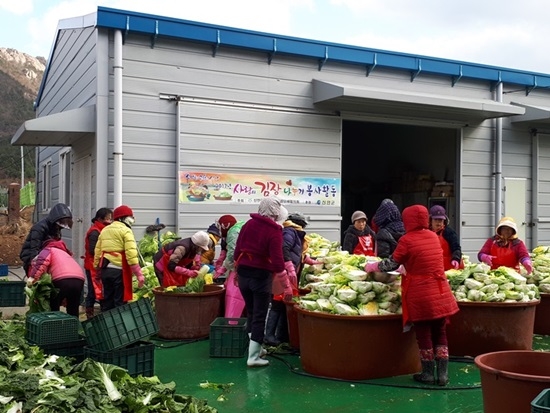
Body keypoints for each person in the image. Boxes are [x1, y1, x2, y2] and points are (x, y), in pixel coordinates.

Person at [365, 204, 459, 386]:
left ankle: (427, 374)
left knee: (423, 333)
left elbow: (392, 263)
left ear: (407, 220)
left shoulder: (407, 240)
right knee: (440, 332)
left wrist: (373, 266)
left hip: (420, 292)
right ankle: (443, 375)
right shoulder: (433, 236)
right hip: (440, 289)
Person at [234, 196, 290, 367]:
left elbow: (237, 251)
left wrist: (236, 273)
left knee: (251, 312)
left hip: (243, 274)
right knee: (260, 315)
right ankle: (253, 358)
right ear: (275, 212)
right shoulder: (274, 231)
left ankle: (257, 349)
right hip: (260, 277)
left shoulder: (247, 224)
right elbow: (278, 260)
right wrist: (286, 285)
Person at [264, 212, 320, 346]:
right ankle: (269, 336)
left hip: (288, 274)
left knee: (285, 305)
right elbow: (284, 249)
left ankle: (281, 336)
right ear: (299, 224)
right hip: (282, 275)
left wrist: (312, 261)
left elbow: (297, 254)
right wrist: (289, 265)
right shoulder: (290, 232)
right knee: (277, 306)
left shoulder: (294, 233)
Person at [93, 205, 144, 311]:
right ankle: (119, 326)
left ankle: (106, 325)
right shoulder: (126, 231)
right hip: (119, 271)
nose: (133, 219)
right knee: (119, 303)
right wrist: (139, 274)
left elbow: (98, 251)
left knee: (107, 301)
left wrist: (97, 268)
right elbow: (131, 254)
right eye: (130, 216)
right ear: (123, 218)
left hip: (105, 270)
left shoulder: (105, 230)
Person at [27, 239, 85, 317]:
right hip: (79, 280)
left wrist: (32, 278)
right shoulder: (65, 253)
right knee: (73, 308)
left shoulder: (49, 249)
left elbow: (41, 263)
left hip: (61, 279)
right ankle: (74, 327)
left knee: (53, 306)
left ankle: (53, 325)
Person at [20, 202, 73, 276]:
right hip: (31, 258)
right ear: (55, 220)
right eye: (60, 224)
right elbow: (34, 248)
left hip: (45, 258)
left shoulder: (55, 228)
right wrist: (34, 267)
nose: (61, 227)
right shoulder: (40, 228)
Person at [83, 207, 112, 319]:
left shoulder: (103, 230)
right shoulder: (95, 232)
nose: (110, 221)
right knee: (93, 290)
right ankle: (89, 314)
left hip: (100, 265)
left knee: (101, 290)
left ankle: (101, 313)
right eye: (108, 218)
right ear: (100, 219)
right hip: (92, 265)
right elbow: (92, 250)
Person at [217, 216, 246, 317]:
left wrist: (223, 268)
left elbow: (232, 253)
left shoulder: (233, 232)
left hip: (240, 269)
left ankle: (232, 322)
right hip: (249, 268)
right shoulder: (241, 227)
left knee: (233, 296)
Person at [429, 205, 464, 271]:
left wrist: (456, 259)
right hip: (432, 269)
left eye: (440, 220)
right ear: (430, 220)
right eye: (436, 220)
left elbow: (456, 248)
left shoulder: (449, 232)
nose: (438, 223)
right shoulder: (426, 232)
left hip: (448, 269)